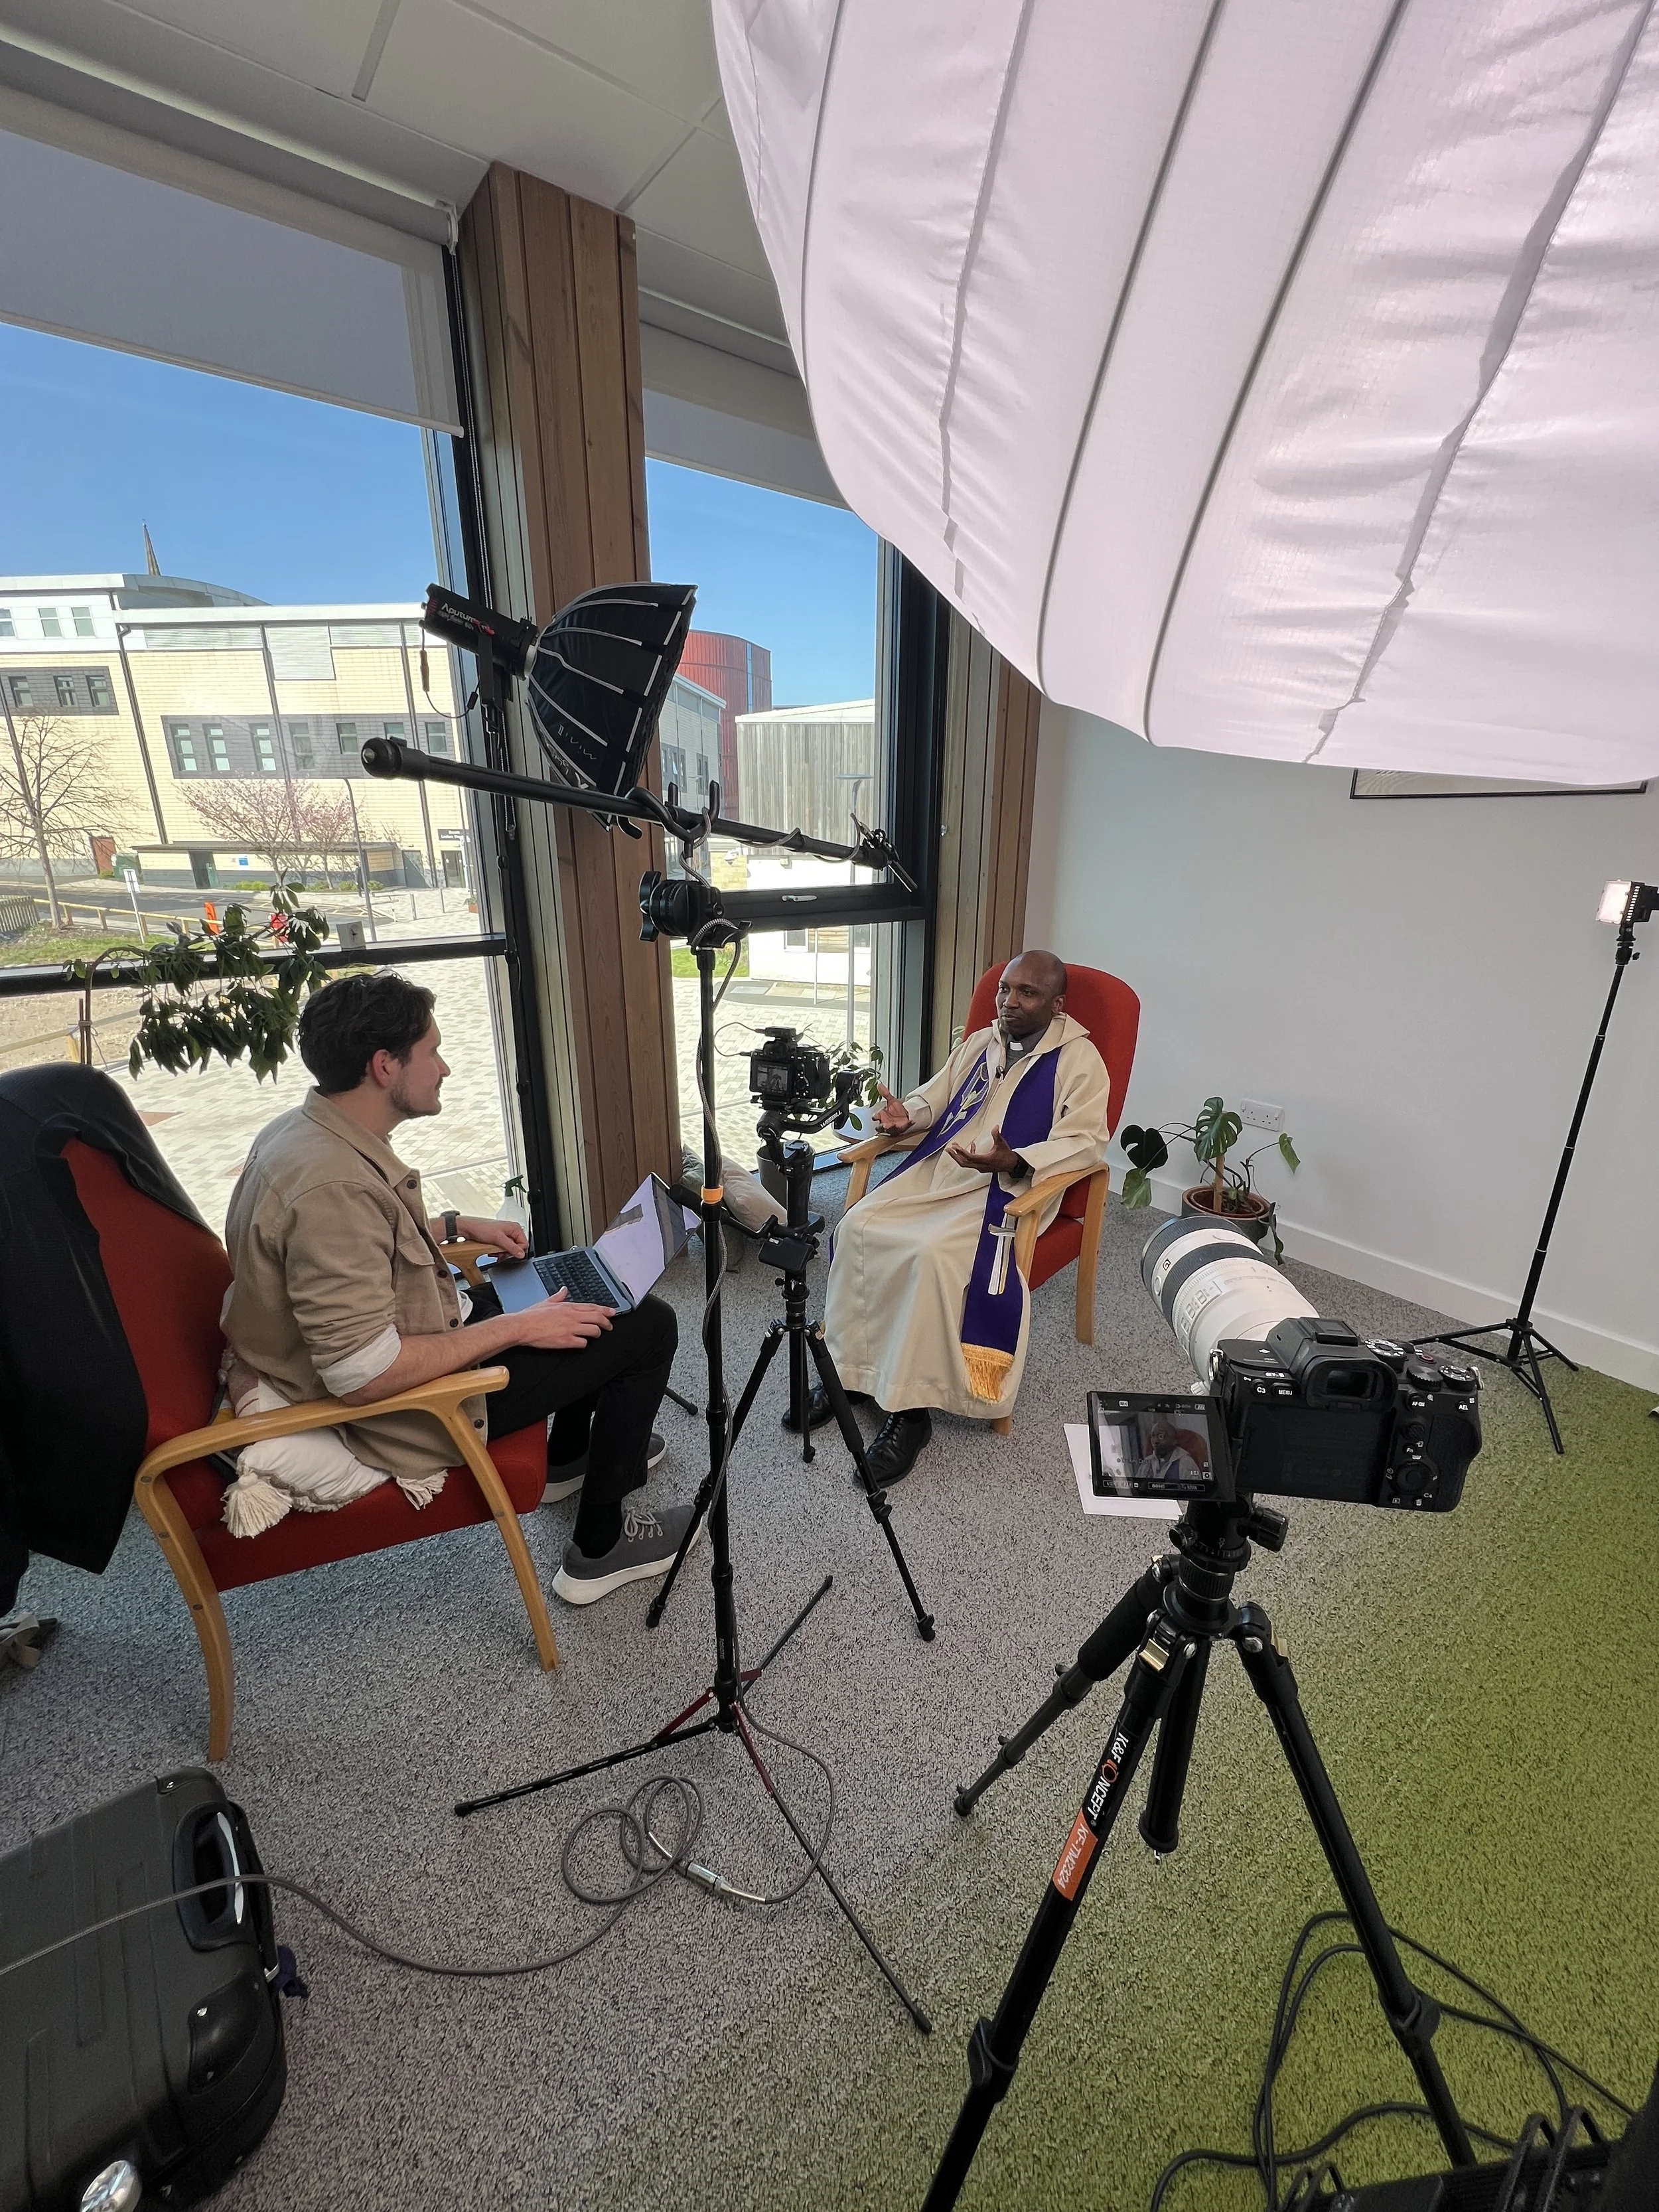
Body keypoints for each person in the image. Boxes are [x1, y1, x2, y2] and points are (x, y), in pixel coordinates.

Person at [222, 971, 691, 1607]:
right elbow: (363, 1373)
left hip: (427, 1323)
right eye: (433, 1052)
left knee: (572, 1288)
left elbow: (361, 1250)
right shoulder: (332, 1189)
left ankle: (568, 1459)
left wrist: (452, 1226)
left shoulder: (304, 1132)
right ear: (385, 1066)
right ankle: (599, 1548)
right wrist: (518, 1328)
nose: (444, 1068)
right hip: (412, 1408)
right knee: (648, 1326)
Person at [818, 952, 1111, 1483]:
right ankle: (850, 1371)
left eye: (1027, 993)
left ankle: (910, 1414)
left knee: (928, 1255)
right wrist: (908, 1114)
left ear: (1057, 1003)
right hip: (943, 1169)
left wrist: (1017, 1160)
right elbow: (937, 1098)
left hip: (1003, 1190)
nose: (1009, 1002)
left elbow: (1089, 1141)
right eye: (1005, 989)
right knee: (857, 1226)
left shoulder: (1079, 1061)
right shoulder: (983, 1041)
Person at [1133, 1416, 1200, 1491]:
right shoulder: (1148, 1461)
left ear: (1174, 1441)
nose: (1155, 1441)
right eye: (1153, 1436)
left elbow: (1194, 1493)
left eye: (1161, 1436)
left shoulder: (1186, 1463)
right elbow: (1137, 1489)